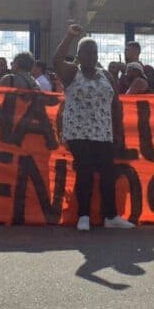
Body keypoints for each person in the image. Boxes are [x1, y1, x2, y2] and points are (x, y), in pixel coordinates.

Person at [53, 23, 135, 231]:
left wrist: (118, 133)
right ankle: (84, 216)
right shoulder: (72, 73)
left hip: (103, 133)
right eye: (87, 52)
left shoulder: (106, 76)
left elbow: (116, 105)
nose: (91, 56)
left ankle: (111, 216)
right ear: (79, 55)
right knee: (85, 172)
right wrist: (69, 36)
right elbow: (56, 60)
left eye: (94, 52)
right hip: (79, 133)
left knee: (108, 173)